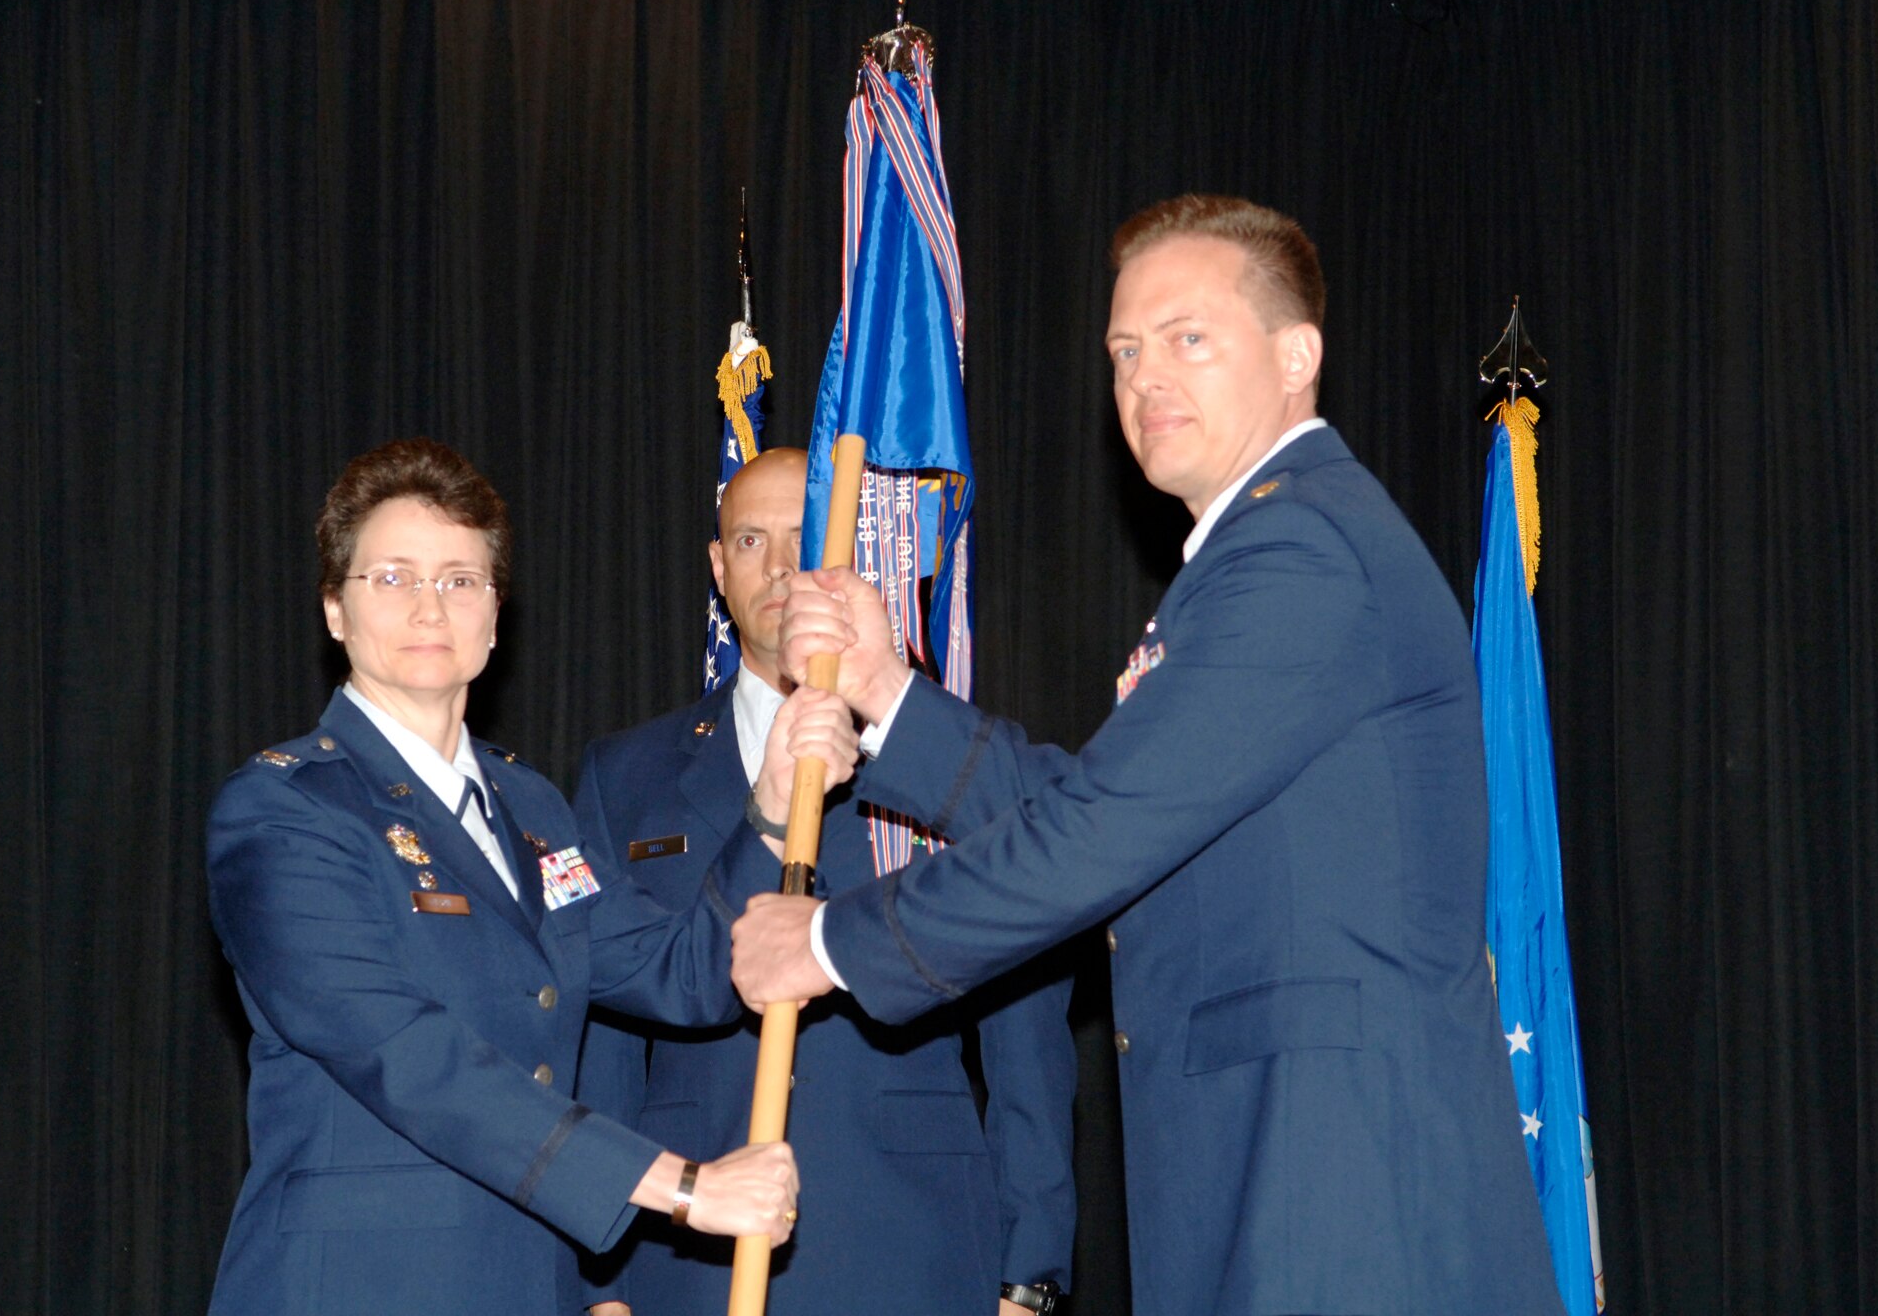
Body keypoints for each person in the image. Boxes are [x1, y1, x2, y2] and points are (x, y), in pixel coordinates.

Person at [730, 196, 1565, 1313]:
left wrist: (829, 941)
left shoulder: (1301, 546)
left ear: (1295, 354)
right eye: (1124, 349)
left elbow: (1099, 831)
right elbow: (1110, 810)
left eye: (1188, 338)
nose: (1143, 378)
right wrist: (888, 693)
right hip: (1272, 1177)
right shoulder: (1255, 552)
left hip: (1342, 1198)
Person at [206, 438, 859, 1316]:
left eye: (461, 580)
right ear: (335, 609)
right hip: (357, 1286)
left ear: (495, 616)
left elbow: (684, 971)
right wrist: (677, 1184)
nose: (430, 607)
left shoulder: (530, 806)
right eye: (393, 578)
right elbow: (411, 1057)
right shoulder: (284, 810)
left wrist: (773, 804)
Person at [572, 447, 1077, 1316]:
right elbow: (605, 1036)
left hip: (916, 1248)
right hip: (688, 1257)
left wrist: (1027, 1274)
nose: (775, 567)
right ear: (717, 566)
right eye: (749, 540)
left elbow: (1023, 1019)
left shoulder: (935, 755)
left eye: (802, 540)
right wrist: (601, 1286)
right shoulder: (626, 775)